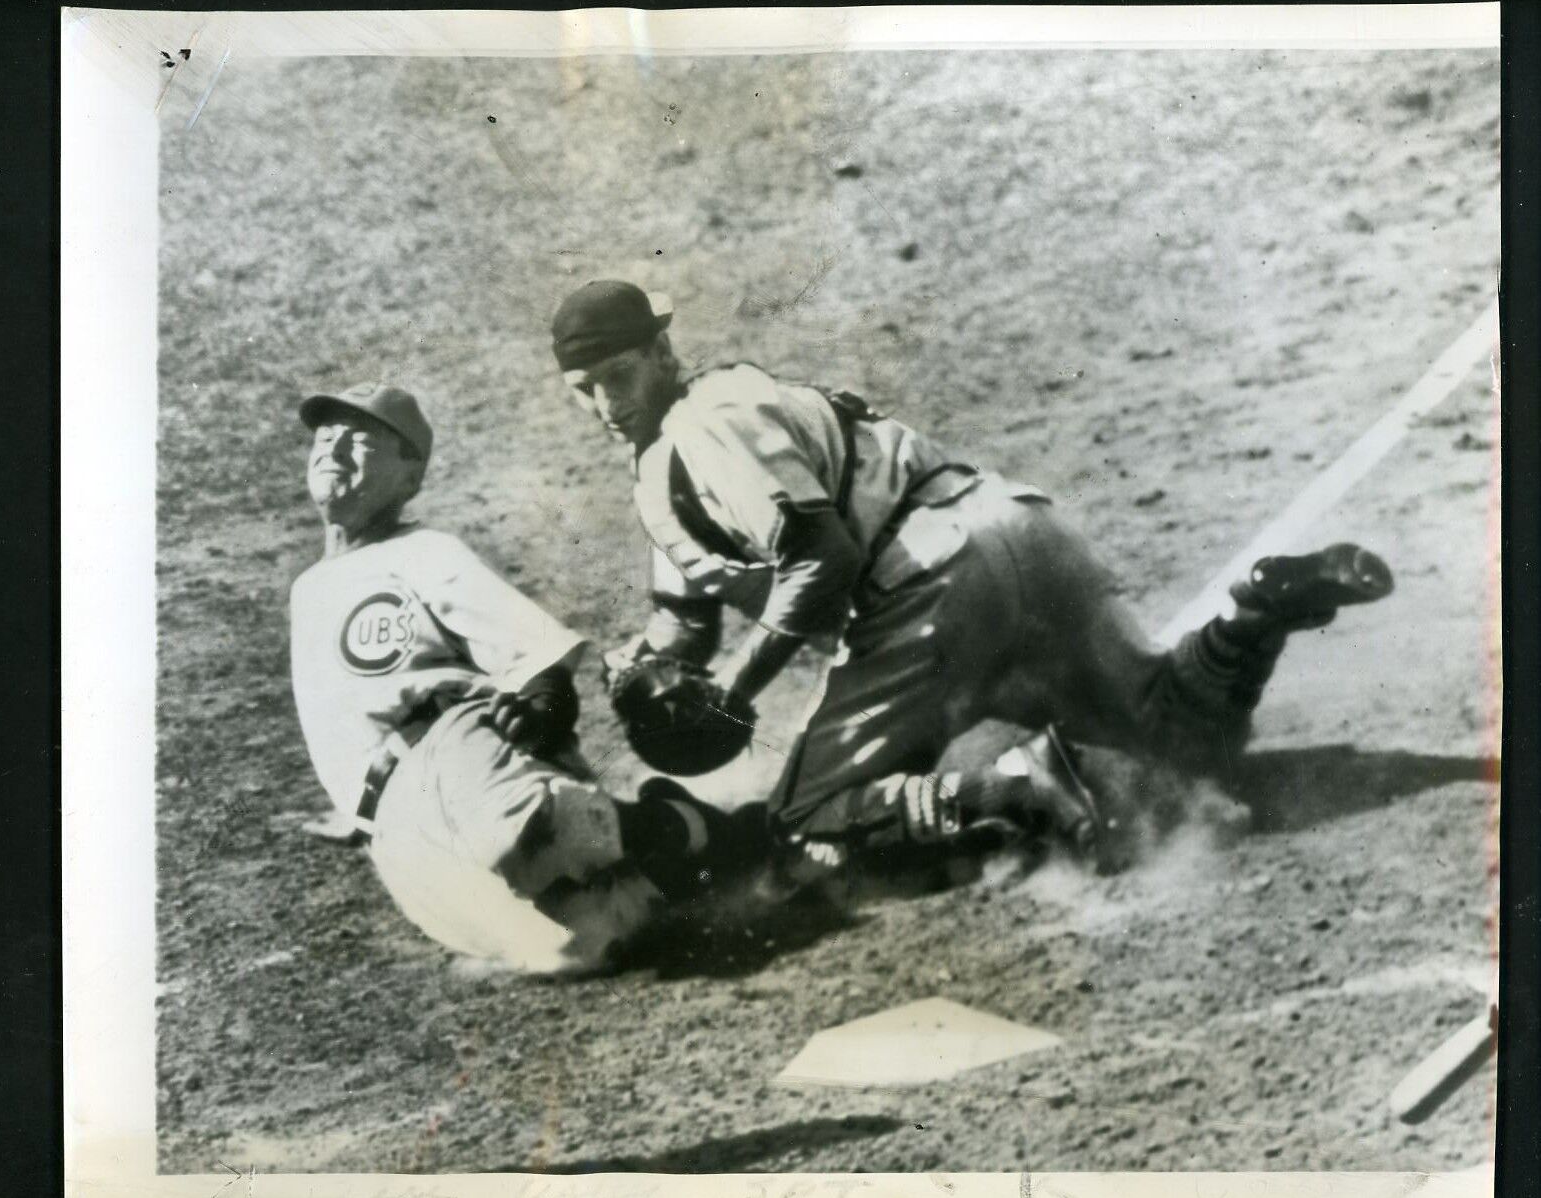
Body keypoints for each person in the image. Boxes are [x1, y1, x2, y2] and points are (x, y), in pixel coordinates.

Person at [547, 279, 1394, 870]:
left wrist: (733, 686)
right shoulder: (686, 446)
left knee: (805, 809)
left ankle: (1015, 782)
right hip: (1021, 531)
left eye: (616, 377)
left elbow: (822, 560)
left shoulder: (704, 428)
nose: (603, 405)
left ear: (663, 350)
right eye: (582, 391)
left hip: (932, 587)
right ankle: (1259, 610)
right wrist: (645, 660)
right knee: (1183, 738)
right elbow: (685, 614)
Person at [288, 381, 756, 972]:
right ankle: (665, 845)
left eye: (361, 441)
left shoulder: (420, 551)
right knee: (576, 949)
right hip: (398, 830)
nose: (334, 449)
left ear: (410, 476)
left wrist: (543, 702)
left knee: (524, 836)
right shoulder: (307, 591)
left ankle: (696, 828)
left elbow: (533, 649)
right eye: (325, 438)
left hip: (453, 755)